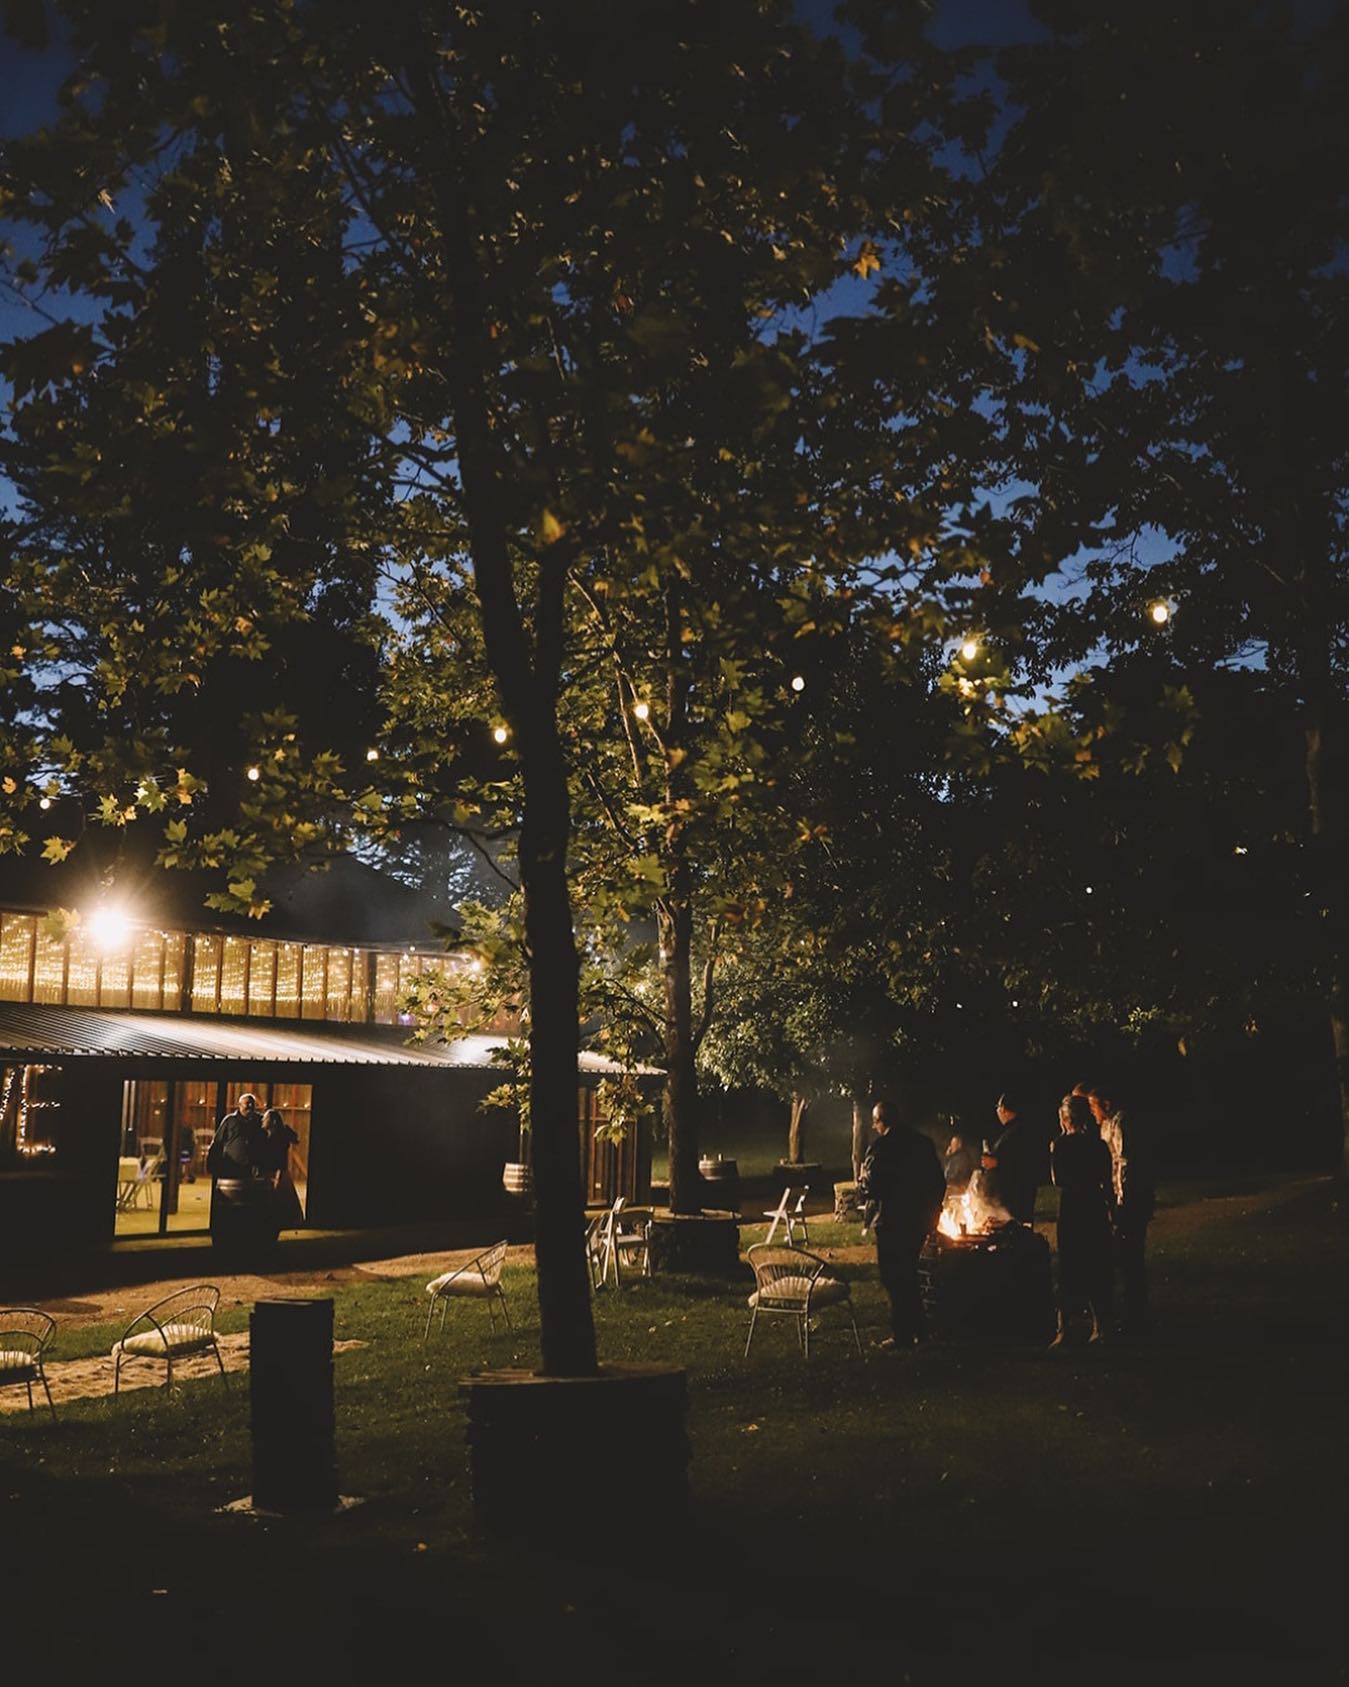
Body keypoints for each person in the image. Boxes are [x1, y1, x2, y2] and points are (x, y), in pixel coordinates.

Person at [859, 1100, 946, 1351]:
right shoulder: (922, 1143)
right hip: (918, 1220)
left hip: (890, 1221)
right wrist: (933, 1211)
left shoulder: (881, 1147)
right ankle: (919, 1330)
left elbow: (872, 1185)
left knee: (894, 1277)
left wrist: (862, 1183)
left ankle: (902, 1334)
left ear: (881, 1122)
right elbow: (938, 1182)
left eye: (875, 1122)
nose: (875, 1127)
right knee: (908, 1274)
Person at [1085, 1081, 1155, 1339]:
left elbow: (1124, 1163)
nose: (1091, 1111)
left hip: (1131, 1200)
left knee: (1130, 1258)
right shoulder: (1106, 1125)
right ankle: (1132, 1313)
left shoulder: (1120, 1123)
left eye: (1093, 1106)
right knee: (1124, 1258)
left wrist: (1121, 1200)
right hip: (1121, 1198)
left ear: (1105, 1103)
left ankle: (1136, 1317)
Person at [1049, 1092, 1115, 1346]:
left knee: (1069, 1267)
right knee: (1097, 1265)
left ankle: (1063, 1330)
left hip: (1073, 1208)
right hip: (1095, 1207)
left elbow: (1058, 1180)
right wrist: (1113, 1212)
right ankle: (1101, 1327)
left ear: (1066, 1119)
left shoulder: (1062, 1145)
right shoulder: (1098, 1145)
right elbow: (1106, 1183)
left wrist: (1054, 1153)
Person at [980, 1091, 1044, 1225]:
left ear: (1003, 1109)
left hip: (1015, 1199)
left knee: (1014, 1236)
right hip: (1009, 1199)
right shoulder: (1012, 1130)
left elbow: (1026, 1162)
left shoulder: (1020, 1131)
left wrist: (997, 1162)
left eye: (998, 1108)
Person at [261, 1106, 303, 1232]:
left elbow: (279, 1157)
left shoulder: (278, 1136)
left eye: (265, 1118)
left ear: (272, 1121)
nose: (262, 1121)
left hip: (276, 1171)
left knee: (278, 1198)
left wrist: (278, 1175)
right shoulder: (273, 1135)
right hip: (275, 1171)